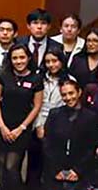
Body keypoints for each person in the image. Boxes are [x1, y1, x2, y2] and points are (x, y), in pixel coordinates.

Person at [0, 45, 44, 190]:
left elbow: (37, 106)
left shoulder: (36, 78)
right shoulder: (3, 75)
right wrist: (1, 126)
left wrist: (21, 128)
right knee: (1, 164)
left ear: (28, 58)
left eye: (22, 57)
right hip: (2, 125)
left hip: (21, 128)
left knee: (11, 166)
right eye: (15, 58)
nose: (18, 61)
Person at [41, 80, 98, 186]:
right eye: (64, 95)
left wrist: (77, 170)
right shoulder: (54, 114)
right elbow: (47, 144)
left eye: (71, 93)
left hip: (80, 171)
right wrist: (56, 169)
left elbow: (91, 147)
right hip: (55, 171)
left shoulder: (91, 117)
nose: (68, 98)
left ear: (79, 92)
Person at [31, 50, 70, 184]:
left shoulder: (70, 80)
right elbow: (36, 105)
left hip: (58, 127)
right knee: (34, 164)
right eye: (48, 62)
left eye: (55, 61)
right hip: (37, 123)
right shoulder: (39, 79)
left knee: (52, 165)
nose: (51, 65)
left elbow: (70, 107)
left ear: (61, 62)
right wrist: (38, 125)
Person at [17, 8, 63, 73]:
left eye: (43, 23)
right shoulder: (18, 43)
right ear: (28, 26)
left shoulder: (57, 46)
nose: (39, 27)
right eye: (35, 23)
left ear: (49, 26)